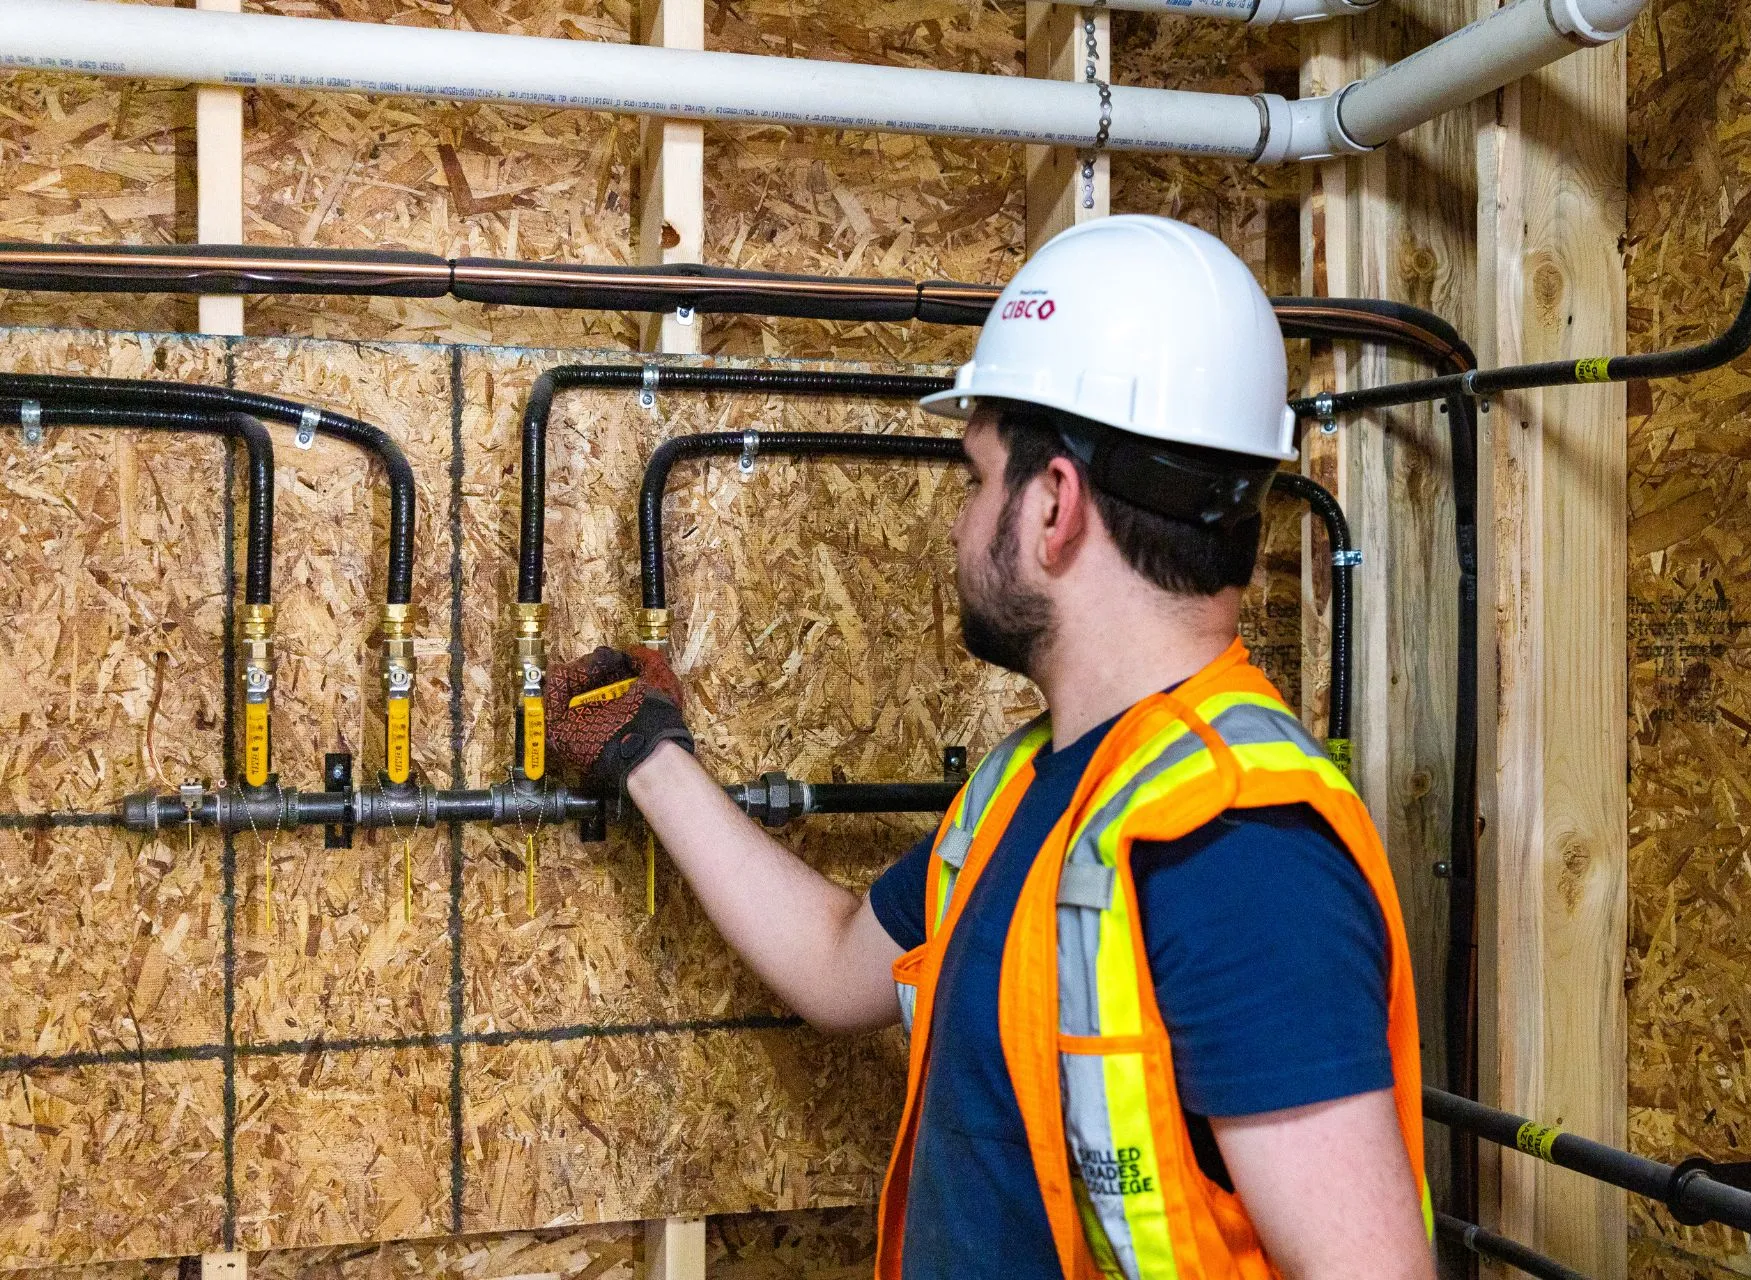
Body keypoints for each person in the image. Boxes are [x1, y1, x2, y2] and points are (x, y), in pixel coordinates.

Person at [542, 215, 1435, 1280]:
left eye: (977, 481)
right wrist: (647, 753)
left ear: (1053, 504)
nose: (962, 526)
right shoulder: (1041, 789)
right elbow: (837, 964)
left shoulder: (1236, 848)